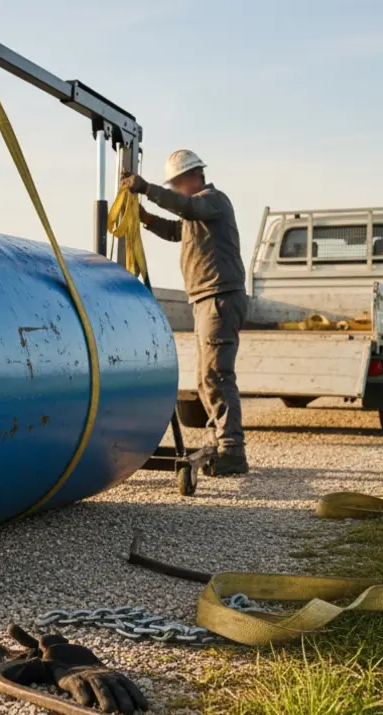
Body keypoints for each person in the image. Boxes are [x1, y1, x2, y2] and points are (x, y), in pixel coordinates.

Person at [120, 150, 248, 475]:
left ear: (195, 177)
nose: (176, 191)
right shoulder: (198, 216)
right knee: (205, 380)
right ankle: (221, 444)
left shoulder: (213, 200)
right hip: (207, 299)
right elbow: (178, 230)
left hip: (219, 297)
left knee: (217, 375)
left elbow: (187, 208)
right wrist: (145, 218)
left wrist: (146, 188)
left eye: (178, 184)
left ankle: (232, 450)